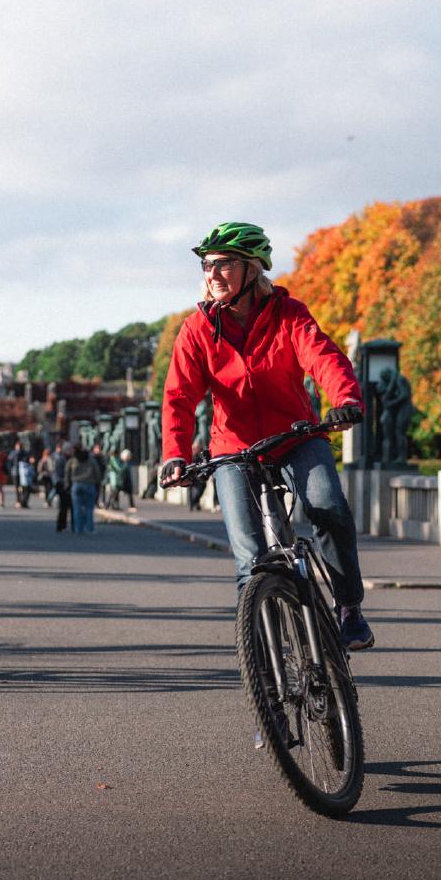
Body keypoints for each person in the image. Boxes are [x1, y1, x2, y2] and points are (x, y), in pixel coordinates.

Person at [158, 221, 374, 651]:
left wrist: (345, 399)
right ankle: (262, 663)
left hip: (296, 436)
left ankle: (348, 605)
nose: (213, 274)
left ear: (252, 270)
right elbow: (179, 397)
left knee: (327, 506)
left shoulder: (288, 314)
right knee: (250, 558)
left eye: (224, 265)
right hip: (232, 450)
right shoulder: (197, 330)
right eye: (207, 265)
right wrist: (174, 455)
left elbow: (323, 356)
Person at [65, 443, 103, 533]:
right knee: (89, 508)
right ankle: (89, 528)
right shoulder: (91, 460)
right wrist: (98, 482)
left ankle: (78, 528)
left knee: (77, 508)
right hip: (89, 484)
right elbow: (97, 472)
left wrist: (67, 483)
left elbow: (67, 472)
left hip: (76, 484)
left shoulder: (73, 460)